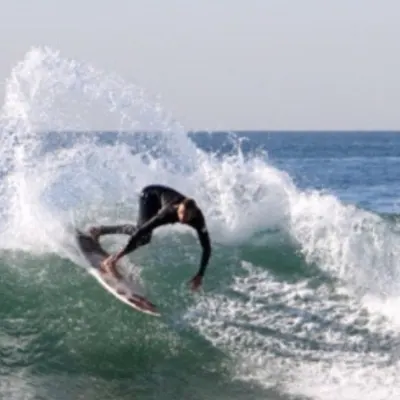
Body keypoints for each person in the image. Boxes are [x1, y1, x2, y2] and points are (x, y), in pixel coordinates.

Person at [88, 184, 212, 291]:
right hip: (149, 195)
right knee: (143, 235)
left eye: (186, 216)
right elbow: (142, 231)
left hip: (160, 198)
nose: (182, 219)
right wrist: (119, 256)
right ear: (177, 208)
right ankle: (103, 241)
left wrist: (200, 274)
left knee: (143, 236)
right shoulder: (168, 213)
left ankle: (100, 230)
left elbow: (206, 247)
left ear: (193, 214)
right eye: (180, 214)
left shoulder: (198, 219)